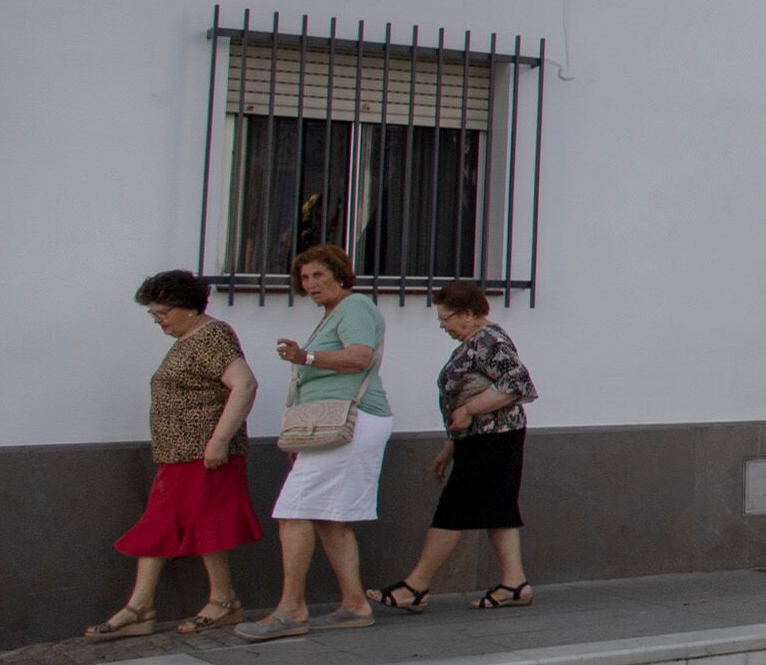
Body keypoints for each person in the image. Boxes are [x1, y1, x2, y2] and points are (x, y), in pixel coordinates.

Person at [87, 270, 262, 637]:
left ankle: (221, 602)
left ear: (189, 308)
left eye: (163, 312)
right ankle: (143, 608)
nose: (159, 320)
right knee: (162, 525)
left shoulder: (212, 335)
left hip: (204, 454)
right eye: (154, 314)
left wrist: (218, 441)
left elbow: (244, 384)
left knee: (205, 524)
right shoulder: (188, 339)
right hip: (177, 454)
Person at [237, 244, 389, 642]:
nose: (310, 284)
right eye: (304, 278)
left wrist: (305, 358)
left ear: (340, 274)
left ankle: (291, 609)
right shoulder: (336, 314)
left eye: (318, 275)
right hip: (338, 424)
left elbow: (358, 357)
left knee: (294, 511)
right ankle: (355, 605)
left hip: (349, 421)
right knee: (328, 518)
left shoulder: (354, 307)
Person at [374, 282, 538, 613]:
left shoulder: (489, 340)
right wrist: (450, 447)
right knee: (499, 509)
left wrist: (468, 410)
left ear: (468, 314)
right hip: (485, 438)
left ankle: (416, 586)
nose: (443, 326)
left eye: (446, 318)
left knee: (453, 509)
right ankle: (514, 583)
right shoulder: (477, 341)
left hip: (493, 439)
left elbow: (518, 382)